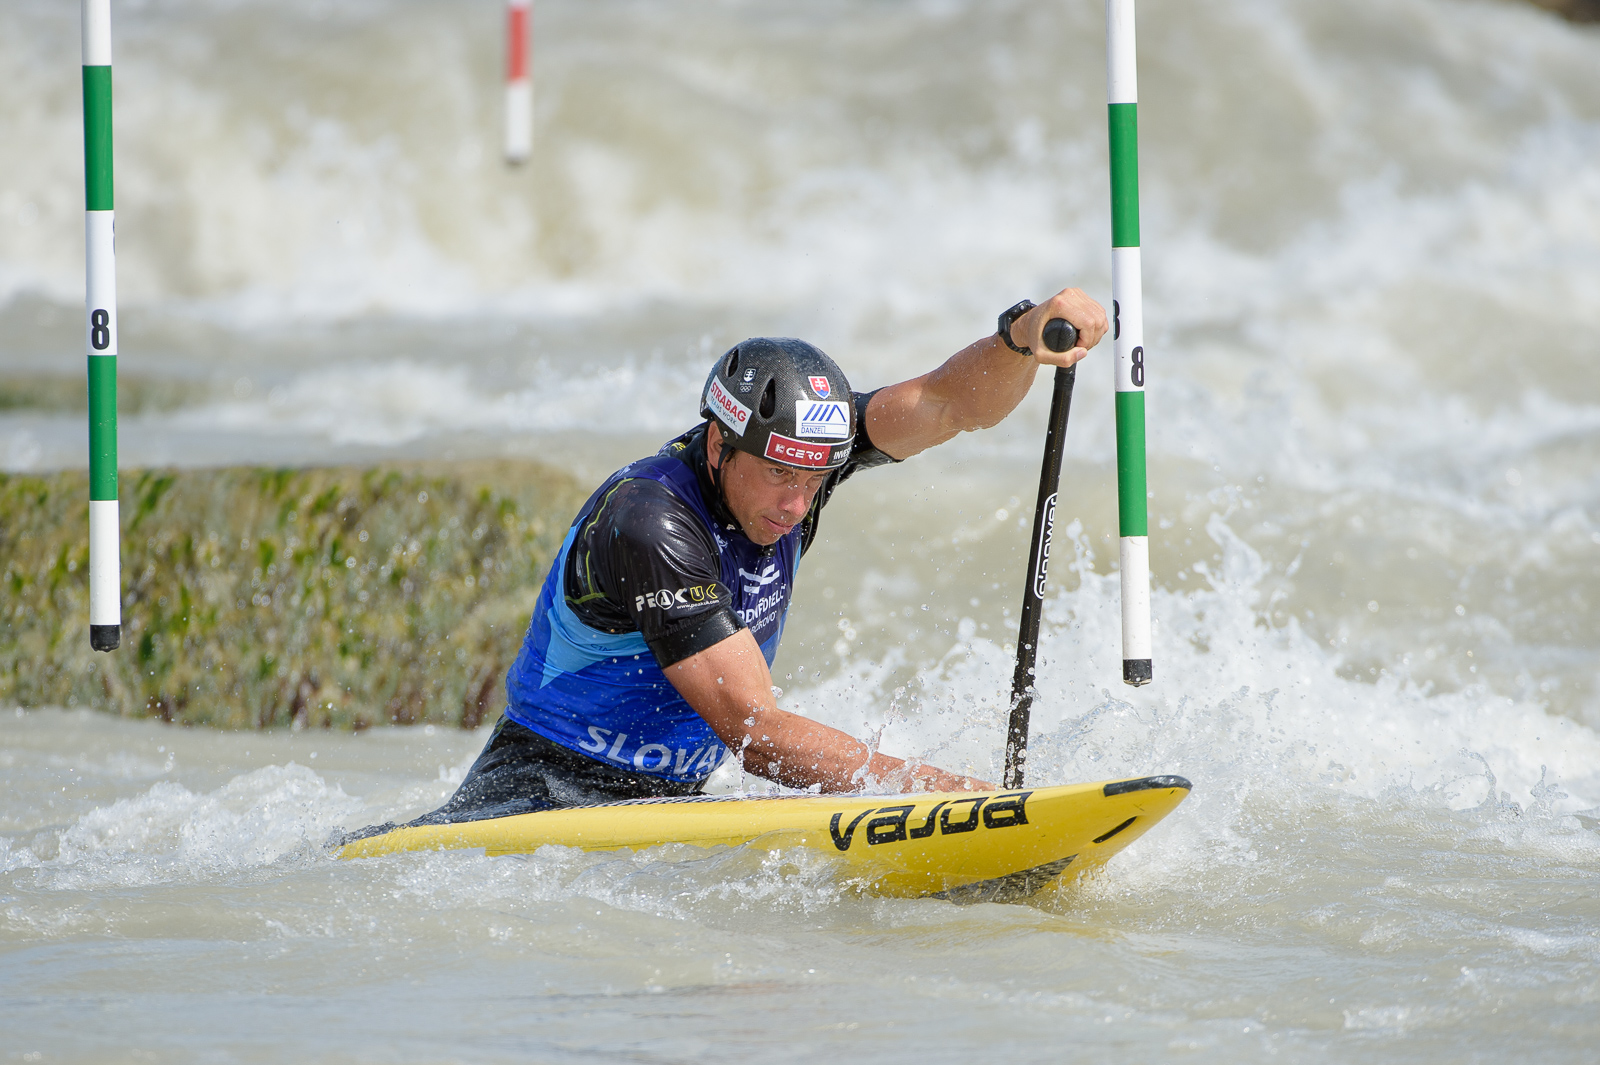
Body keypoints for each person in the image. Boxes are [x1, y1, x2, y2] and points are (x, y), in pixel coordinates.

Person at [369, 288, 1106, 832]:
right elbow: (757, 732)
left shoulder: (803, 459)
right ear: (720, 445)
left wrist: (1018, 341)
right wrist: (945, 796)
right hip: (540, 800)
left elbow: (951, 405)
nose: (797, 503)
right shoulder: (650, 523)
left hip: (668, 812)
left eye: (816, 478)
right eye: (781, 475)